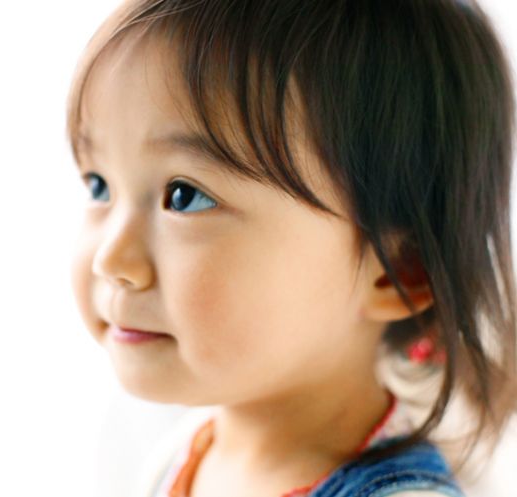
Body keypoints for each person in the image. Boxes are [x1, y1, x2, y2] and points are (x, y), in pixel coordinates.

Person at [66, 0, 517, 495]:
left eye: (185, 196)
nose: (112, 259)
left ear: (399, 271)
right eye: (99, 185)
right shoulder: (188, 452)